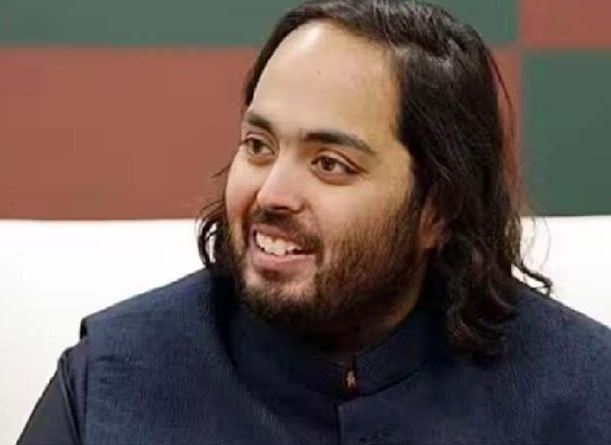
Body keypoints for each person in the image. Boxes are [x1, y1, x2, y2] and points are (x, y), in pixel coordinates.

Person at [18, 1, 611, 444]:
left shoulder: (585, 395)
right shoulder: (109, 382)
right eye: (258, 146)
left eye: (330, 164)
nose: (271, 194)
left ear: (438, 210)